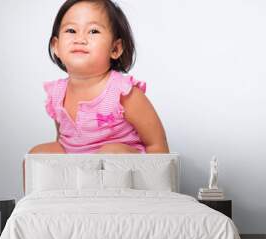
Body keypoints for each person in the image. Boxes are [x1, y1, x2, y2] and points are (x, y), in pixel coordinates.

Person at [24, 0, 169, 191]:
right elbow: (63, 142)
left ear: (115, 49)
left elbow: (158, 146)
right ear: (56, 46)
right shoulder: (57, 94)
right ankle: (41, 210)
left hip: (126, 179)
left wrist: (158, 192)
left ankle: (110, 211)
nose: (80, 39)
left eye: (93, 31)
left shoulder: (122, 93)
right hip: (79, 171)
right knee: (38, 155)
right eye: (71, 31)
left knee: (111, 154)